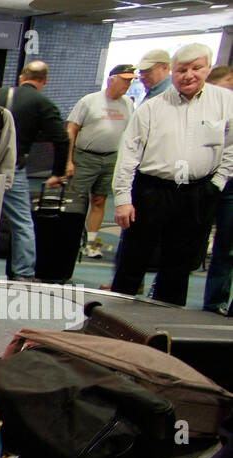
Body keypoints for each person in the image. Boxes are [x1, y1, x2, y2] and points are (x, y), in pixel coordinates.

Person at [111, 44, 232, 308]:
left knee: (179, 265)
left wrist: (217, 183)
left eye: (196, 68)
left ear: (207, 69)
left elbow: (232, 146)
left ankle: (165, 324)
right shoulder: (152, 108)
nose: (189, 75)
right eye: (182, 70)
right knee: (133, 259)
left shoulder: (226, 102)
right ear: (172, 73)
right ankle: (115, 319)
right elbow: (128, 155)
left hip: (198, 192)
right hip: (151, 191)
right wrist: (122, 198)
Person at [0, 61, 69, 281]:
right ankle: (23, 274)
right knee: (22, 223)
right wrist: (58, 172)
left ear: (21, 77)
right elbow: (61, 138)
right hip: (13, 170)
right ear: (44, 81)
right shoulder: (43, 103)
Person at [66, 64, 136, 260]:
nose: (127, 84)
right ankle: (70, 242)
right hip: (85, 157)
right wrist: (68, 161)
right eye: (124, 79)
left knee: (99, 200)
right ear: (111, 79)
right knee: (77, 202)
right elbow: (71, 130)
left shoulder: (128, 104)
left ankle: (91, 244)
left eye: (130, 80)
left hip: (111, 158)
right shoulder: (89, 101)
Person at [202, 65, 233, 315]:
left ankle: (217, 301)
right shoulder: (202, 109)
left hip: (230, 183)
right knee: (184, 238)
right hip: (204, 180)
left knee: (227, 246)